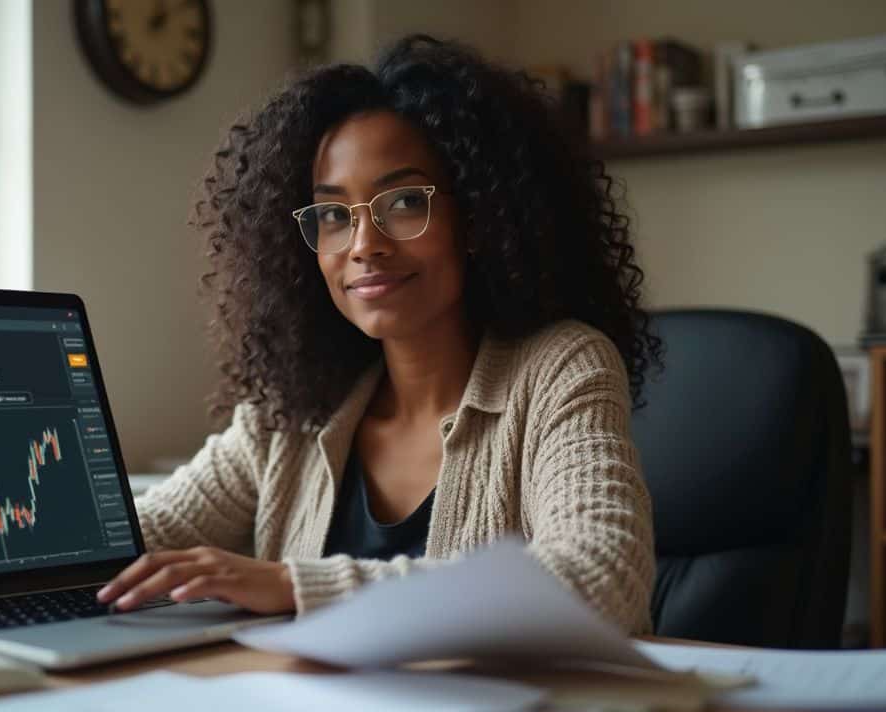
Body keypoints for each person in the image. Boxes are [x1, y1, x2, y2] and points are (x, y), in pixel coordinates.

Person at [96, 35, 662, 633]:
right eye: (334, 214)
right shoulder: (290, 413)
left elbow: (602, 579)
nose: (365, 245)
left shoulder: (562, 370)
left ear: (477, 215)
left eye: (404, 203)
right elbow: (124, 544)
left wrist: (293, 584)